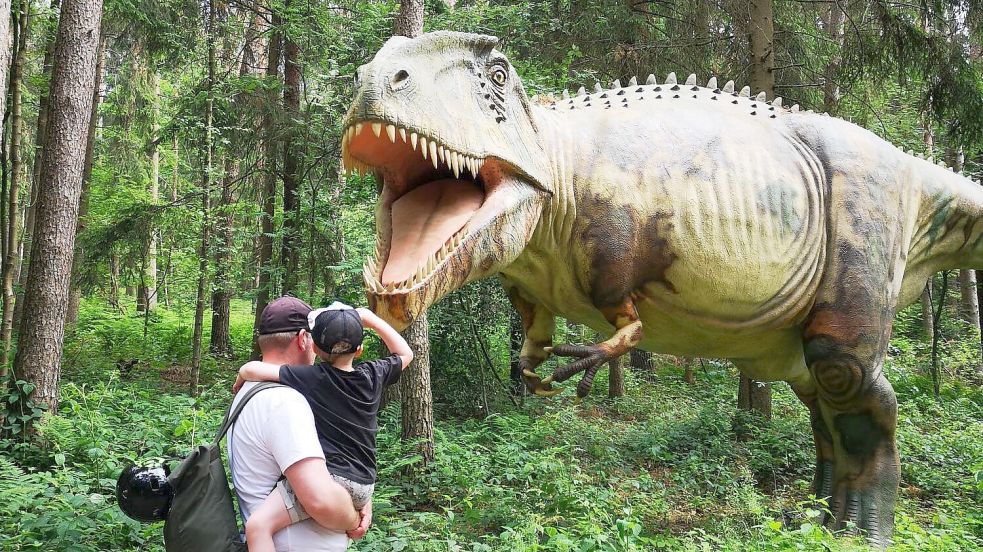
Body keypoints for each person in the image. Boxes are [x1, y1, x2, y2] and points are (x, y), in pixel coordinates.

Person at [235, 302, 414, 552]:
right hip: (364, 482)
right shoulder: (373, 375)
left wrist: (243, 371)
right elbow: (406, 354)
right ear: (360, 349)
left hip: (334, 479)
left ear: (315, 347)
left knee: (258, 526)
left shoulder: (312, 379)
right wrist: (370, 318)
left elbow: (254, 369)